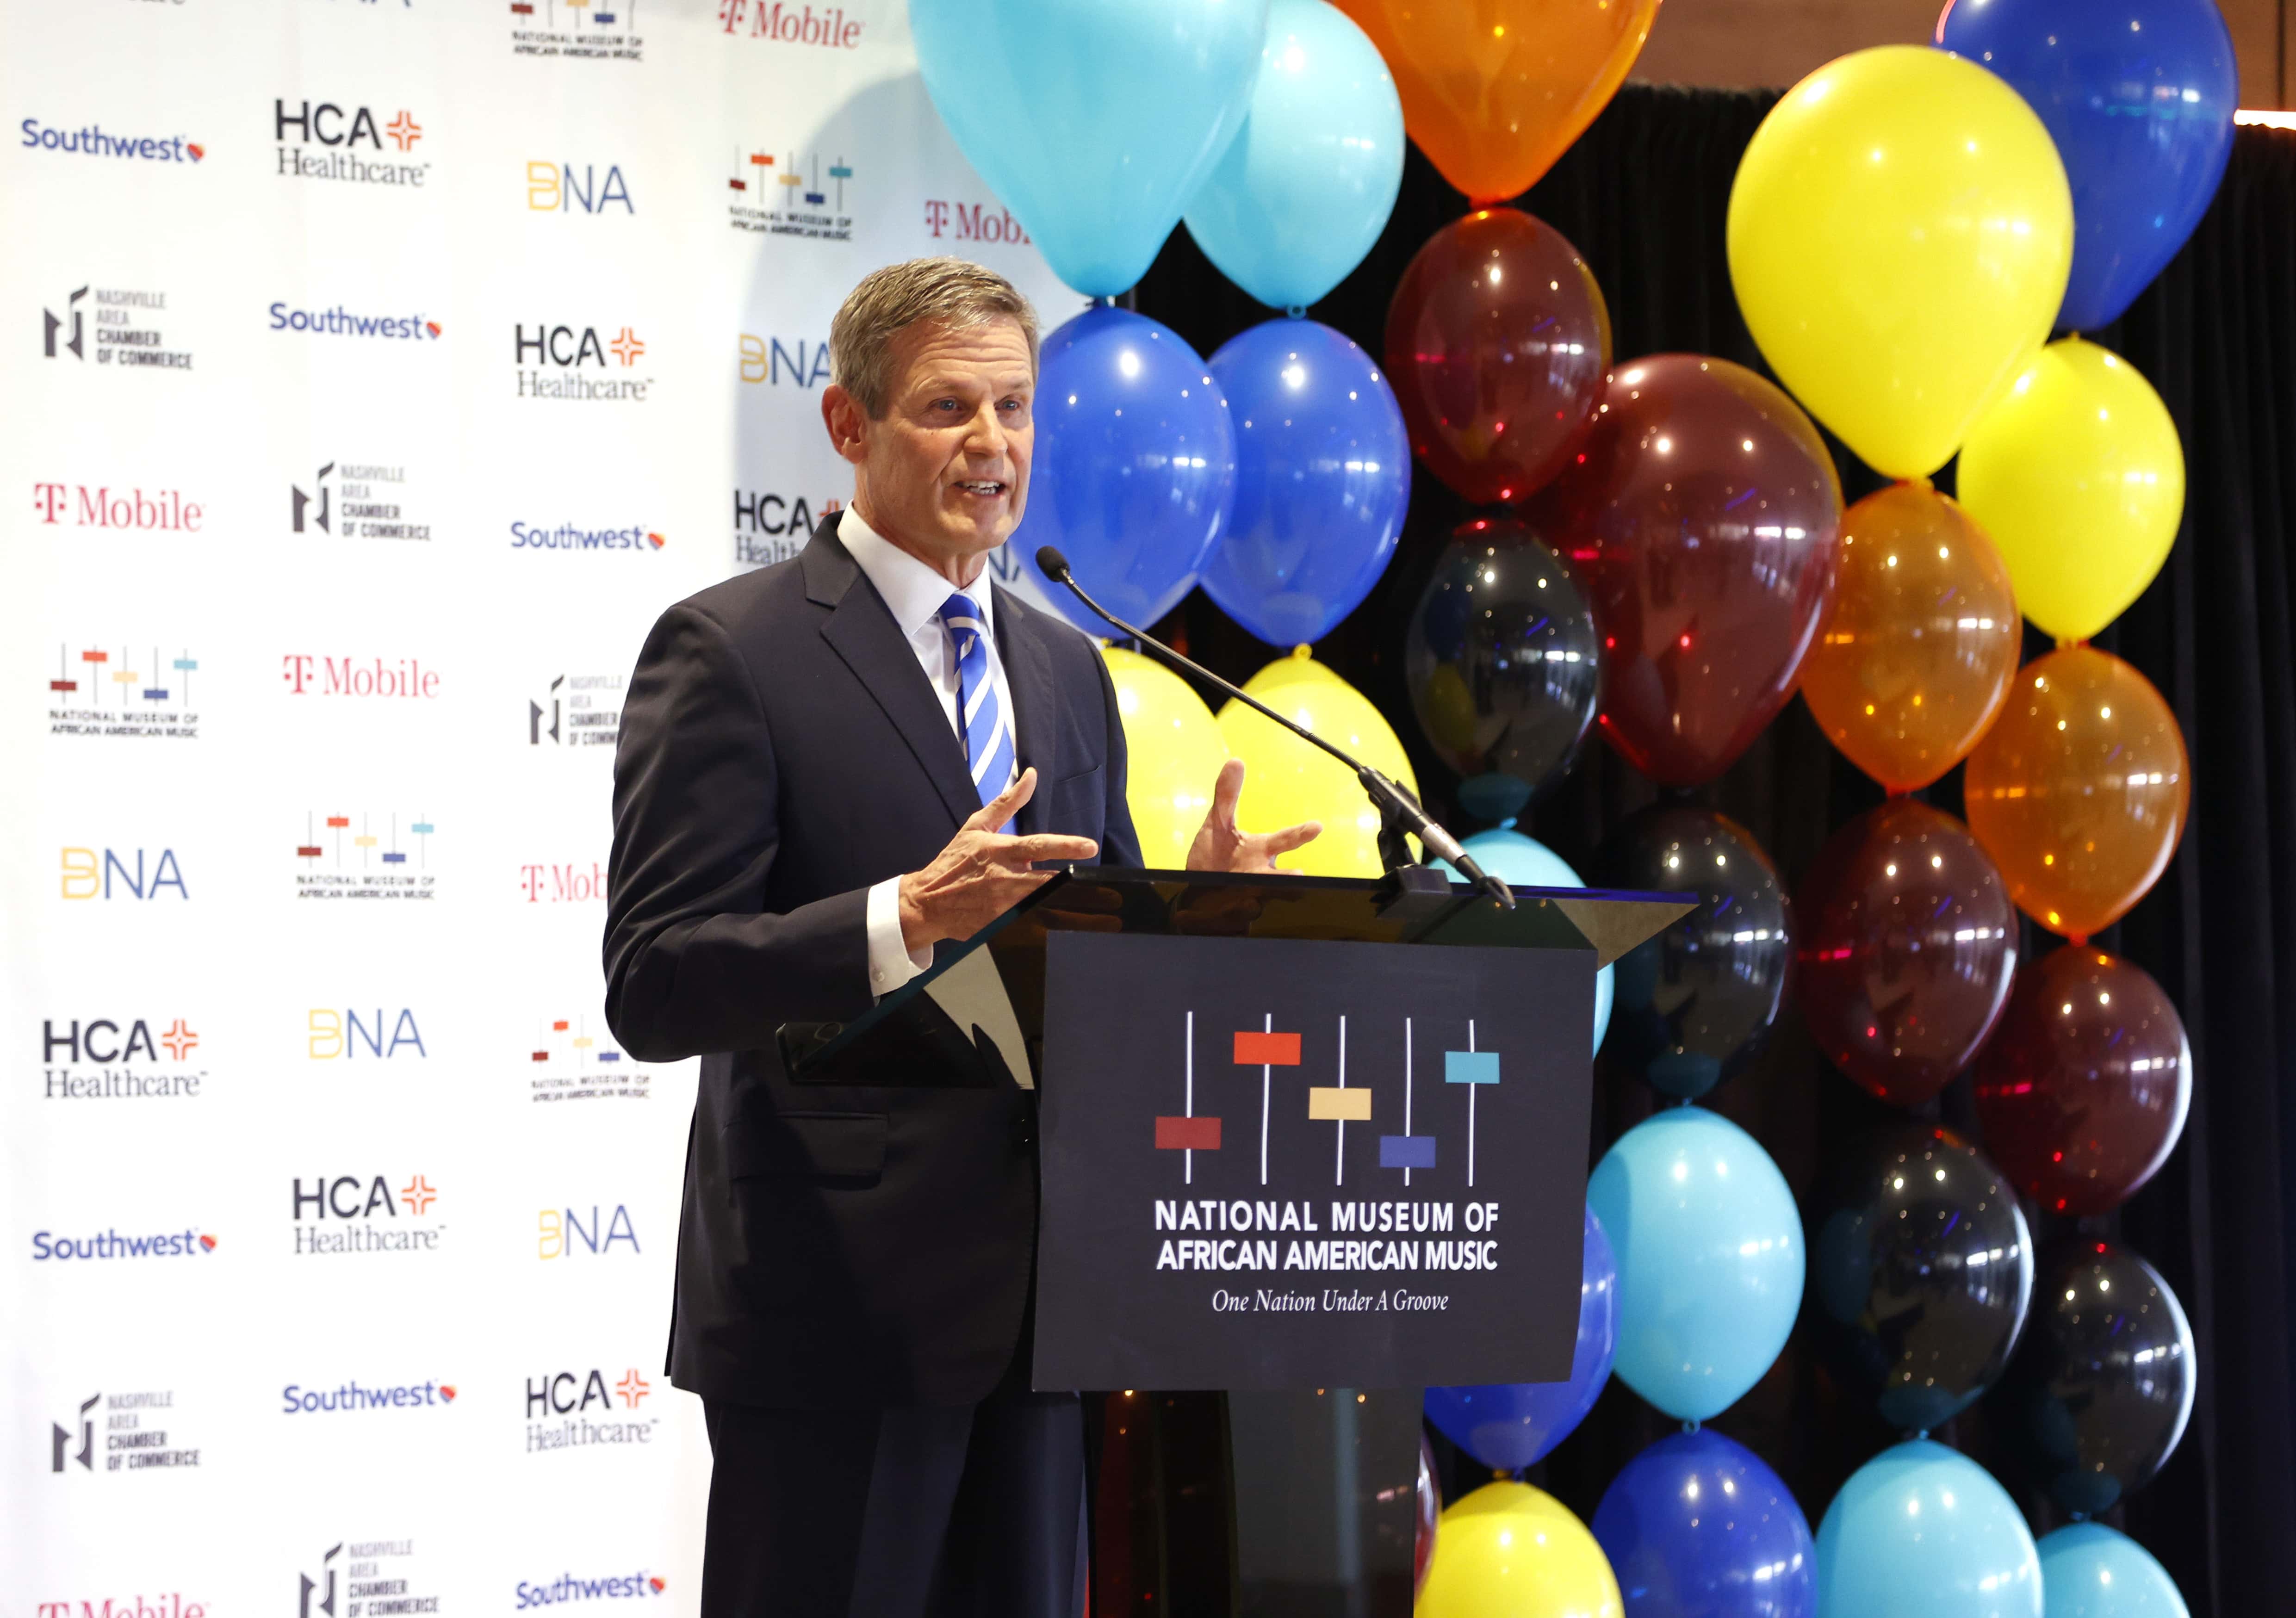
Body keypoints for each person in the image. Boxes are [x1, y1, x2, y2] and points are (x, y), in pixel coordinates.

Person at [603, 257, 1317, 1618]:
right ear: (848, 425)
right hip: (836, 1323)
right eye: (946, 408)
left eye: (1013, 407)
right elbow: (655, 979)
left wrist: (1189, 914)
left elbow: (1078, 971)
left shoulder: (1063, 666)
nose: (992, 446)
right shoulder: (731, 651)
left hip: (1047, 1311)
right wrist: (899, 920)